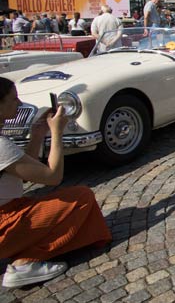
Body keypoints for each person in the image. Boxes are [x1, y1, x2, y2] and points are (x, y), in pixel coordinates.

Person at [0, 77, 111, 288]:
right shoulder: (1, 145)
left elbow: (22, 173)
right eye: (13, 99)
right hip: (4, 225)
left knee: (41, 202)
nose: (19, 103)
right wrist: (57, 132)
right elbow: (53, 176)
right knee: (81, 197)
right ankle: (25, 263)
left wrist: (37, 135)